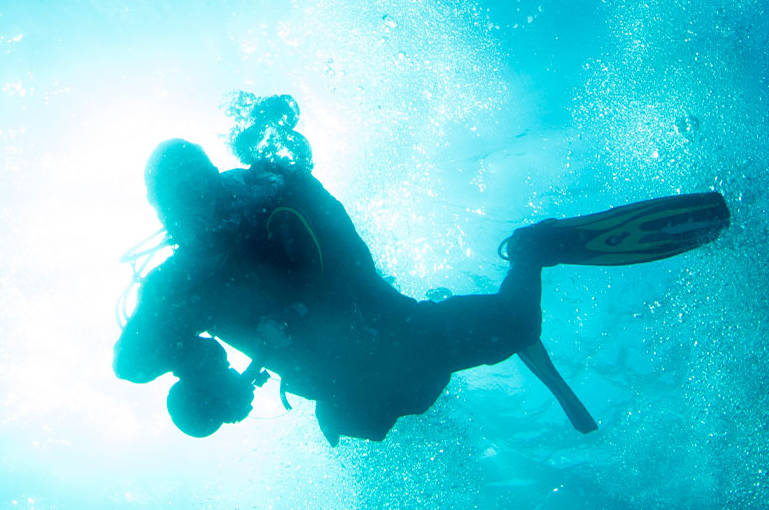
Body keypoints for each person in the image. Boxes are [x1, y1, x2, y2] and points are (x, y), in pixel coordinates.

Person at [113, 118, 729, 446]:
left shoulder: (274, 197)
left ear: (219, 179)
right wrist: (201, 370)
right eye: (182, 202)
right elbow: (130, 364)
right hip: (348, 389)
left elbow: (351, 253)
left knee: (517, 325)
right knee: (385, 430)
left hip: (397, 335)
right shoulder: (179, 284)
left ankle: (535, 250)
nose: (202, 210)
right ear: (165, 217)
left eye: (202, 188)